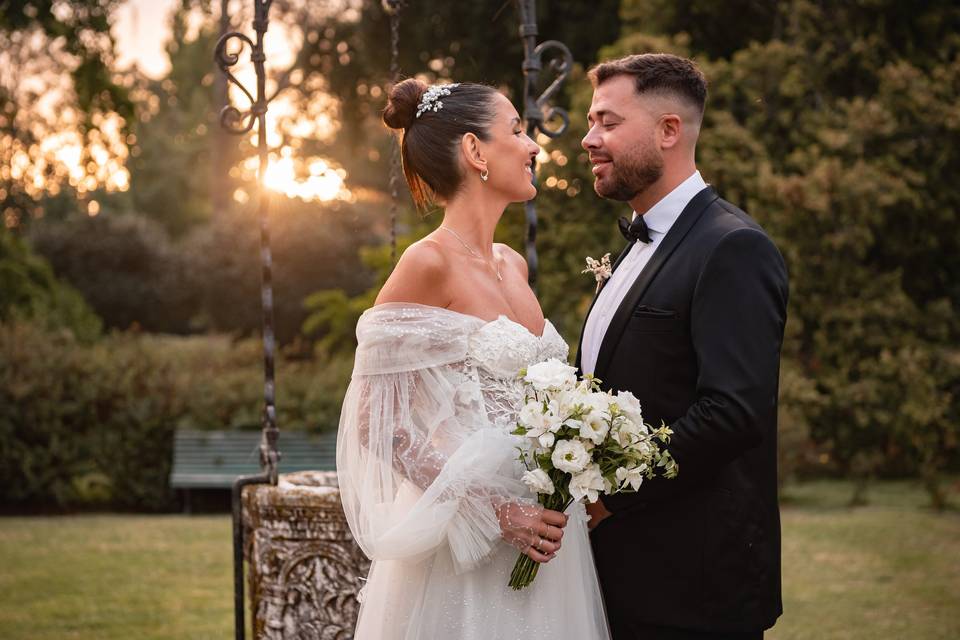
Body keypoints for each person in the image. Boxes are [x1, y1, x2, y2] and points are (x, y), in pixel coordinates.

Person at [336, 78, 611, 640]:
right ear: (475, 151)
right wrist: (493, 512)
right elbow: (374, 420)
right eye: (516, 130)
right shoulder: (427, 262)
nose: (533, 145)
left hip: (551, 539)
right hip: (471, 554)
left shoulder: (514, 264)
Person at [576, 53, 789, 639]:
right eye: (592, 122)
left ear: (669, 130)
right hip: (621, 578)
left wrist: (610, 496)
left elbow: (731, 414)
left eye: (608, 123)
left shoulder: (732, 247)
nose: (589, 138)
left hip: (694, 591)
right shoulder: (639, 244)